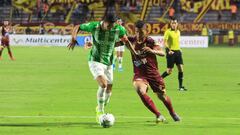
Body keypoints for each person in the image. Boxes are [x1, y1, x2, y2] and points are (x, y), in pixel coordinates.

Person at [67, 13, 138, 123]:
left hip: (109, 62)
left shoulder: (119, 29)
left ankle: (100, 106)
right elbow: (77, 27)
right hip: (95, 60)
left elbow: (125, 41)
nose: (111, 27)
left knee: (109, 90)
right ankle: (100, 111)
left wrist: (134, 53)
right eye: (109, 25)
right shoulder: (94, 26)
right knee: (103, 84)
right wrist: (73, 38)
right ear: (104, 22)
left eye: (113, 25)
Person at [128, 20, 180, 123]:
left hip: (153, 73)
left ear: (145, 31)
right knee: (140, 90)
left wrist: (152, 51)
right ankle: (158, 114)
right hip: (140, 74)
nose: (139, 34)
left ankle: (172, 112)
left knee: (162, 96)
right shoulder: (131, 40)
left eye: (141, 32)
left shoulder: (150, 41)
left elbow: (162, 53)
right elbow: (113, 42)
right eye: (137, 32)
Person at [161, 18, 187, 91]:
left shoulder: (178, 32)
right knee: (169, 71)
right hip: (171, 53)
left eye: (175, 23)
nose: (174, 24)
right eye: (172, 23)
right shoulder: (168, 32)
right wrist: (168, 50)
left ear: (177, 24)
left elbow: (177, 42)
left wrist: (179, 49)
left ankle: (180, 87)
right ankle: (158, 80)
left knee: (181, 69)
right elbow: (164, 42)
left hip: (178, 52)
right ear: (170, 24)